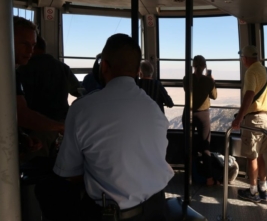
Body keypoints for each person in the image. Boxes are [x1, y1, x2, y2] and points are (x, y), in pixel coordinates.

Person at [53, 33, 174, 220]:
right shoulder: (154, 109)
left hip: (109, 214)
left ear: (104, 66)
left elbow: (70, 173)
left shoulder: (82, 109)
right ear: (137, 71)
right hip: (157, 210)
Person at [232, 45, 267, 202]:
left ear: (246, 58)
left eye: (242, 57)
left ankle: (253, 192)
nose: (242, 60)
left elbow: (249, 94)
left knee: (252, 156)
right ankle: (264, 189)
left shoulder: (251, 72)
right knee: (260, 155)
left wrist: (239, 118)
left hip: (255, 120)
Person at [18, 35, 80, 157]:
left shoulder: (23, 69)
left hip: (36, 127)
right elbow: (78, 92)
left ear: (34, 48)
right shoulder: (62, 67)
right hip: (62, 123)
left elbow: (20, 110)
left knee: (35, 165)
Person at [13, 16, 64, 154]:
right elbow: (21, 114)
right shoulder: (8, 73)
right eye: (24, 43)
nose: (31, 50)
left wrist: (21, 137)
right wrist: (61, 127)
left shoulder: (13, 73)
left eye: (33, 45)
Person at [182, 55, 217, 186]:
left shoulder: (186, 79)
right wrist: (212, 81)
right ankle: (209, 178)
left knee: (189, 144)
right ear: (204, 66)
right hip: (203, 115)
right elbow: (214, 96)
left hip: (188, 113)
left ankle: (189, 175)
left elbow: (187, 90)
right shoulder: (208, 81)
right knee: (205, 146)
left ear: (193, 65)